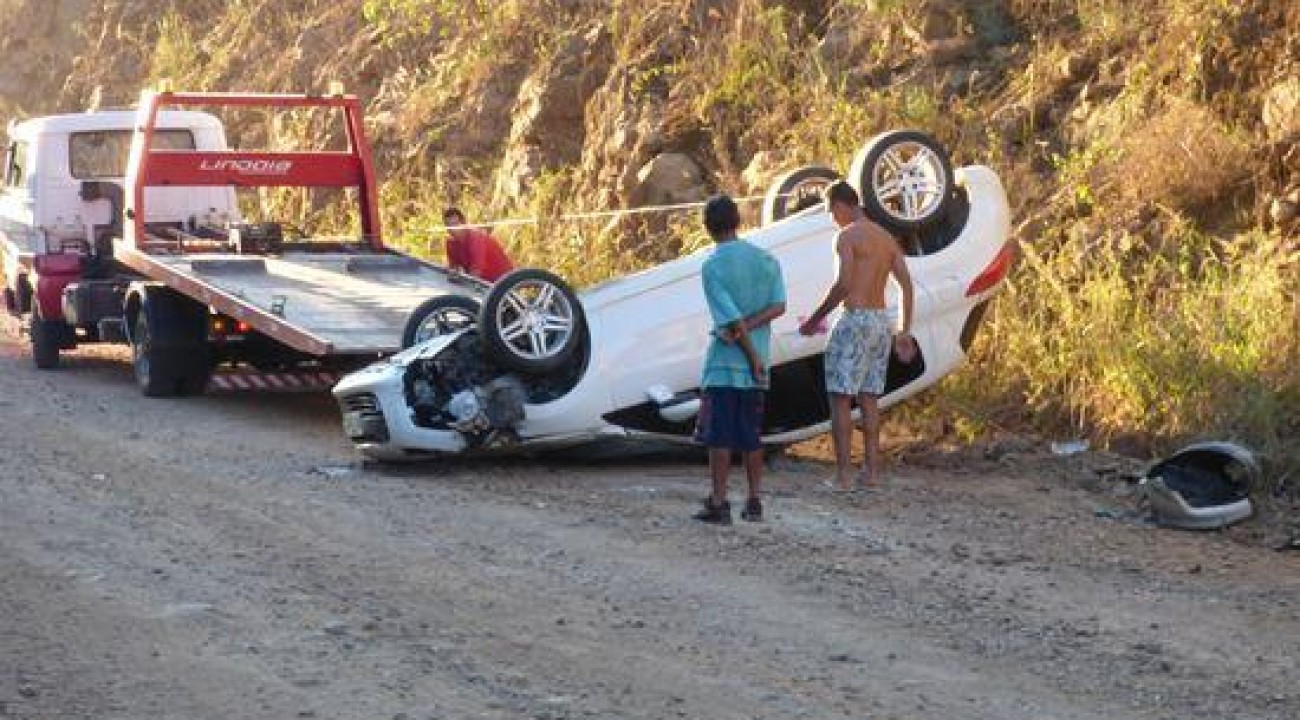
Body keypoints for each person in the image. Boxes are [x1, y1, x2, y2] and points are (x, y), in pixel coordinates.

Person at [798, 181, 916, 492]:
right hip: (881, 322)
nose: (832, 218)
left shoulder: (847, 237)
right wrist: (904, 330)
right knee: (869, 396)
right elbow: (906, 286)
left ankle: (843, 476)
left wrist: (814, 320)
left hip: (854, 321)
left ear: (841, 205)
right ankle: (871, 472)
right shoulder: (887, 239)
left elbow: (844, 285)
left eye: (831, 211)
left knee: (840, 397)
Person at [693, 194, 787, 524]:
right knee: (751, 434)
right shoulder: (765, 260)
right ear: (738, 222)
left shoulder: (712, 266)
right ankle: (754, 500)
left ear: (708, 228)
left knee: (719, 436)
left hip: (725, 364)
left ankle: (719, 502)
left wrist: (745, 346)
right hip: (758, 359)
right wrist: (755, 350)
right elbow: (779, 306)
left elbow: (731, 320)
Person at [442, 207, 514, 282]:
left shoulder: (476, 239)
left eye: (455, 224)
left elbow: (476, 273)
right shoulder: (451, 243)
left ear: (463, 223)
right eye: (448, 225)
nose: (451, 229)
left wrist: (461, 280)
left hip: (504, 283)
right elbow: (453, 268)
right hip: (484, 284)